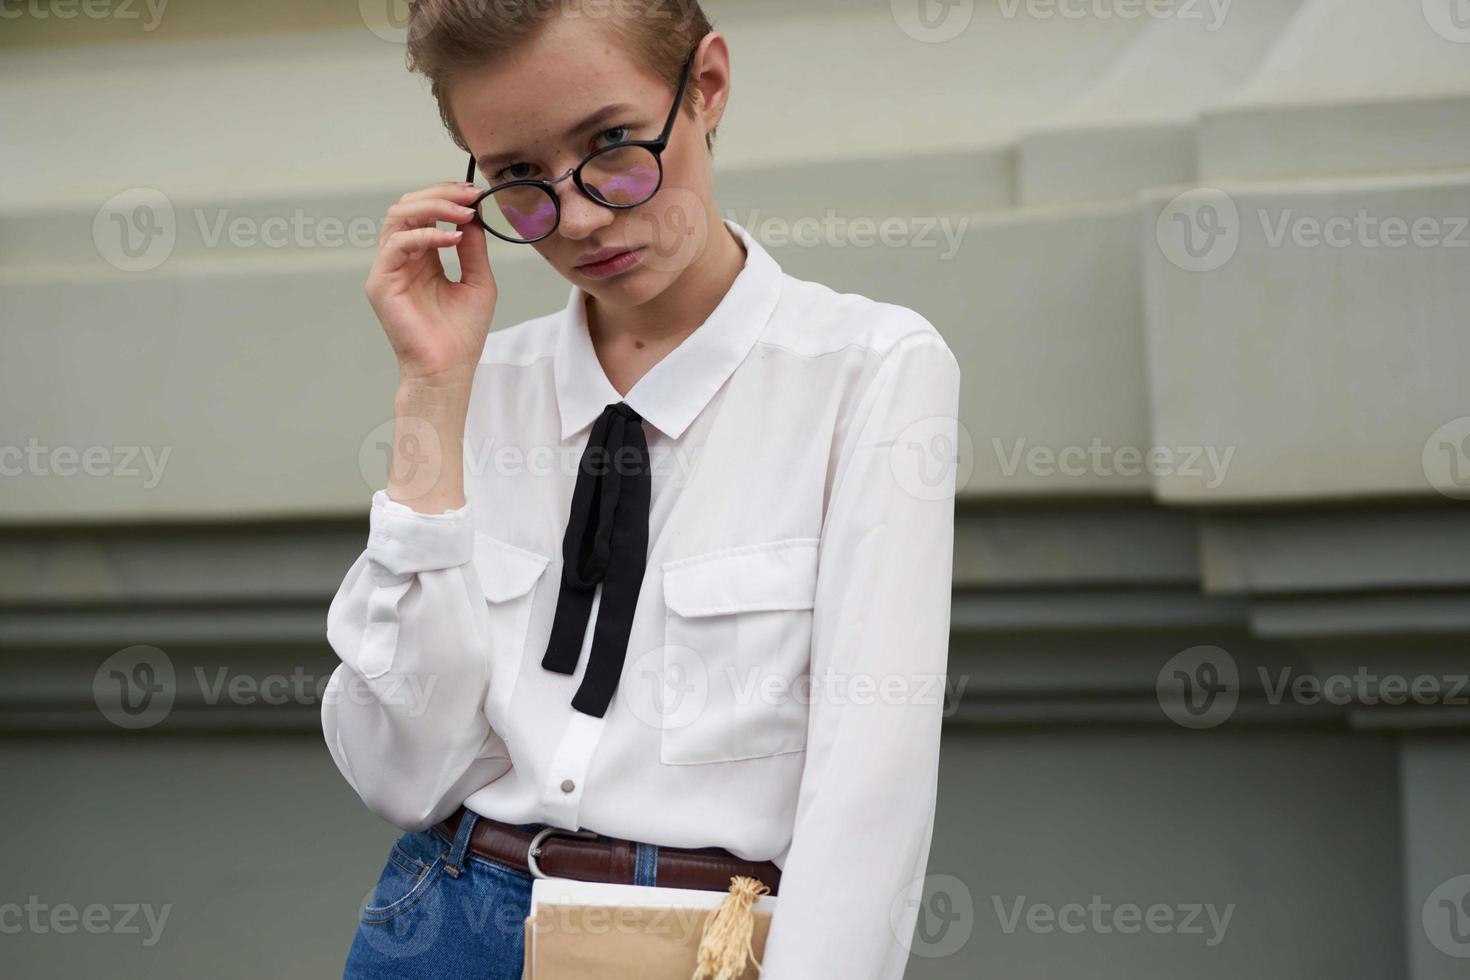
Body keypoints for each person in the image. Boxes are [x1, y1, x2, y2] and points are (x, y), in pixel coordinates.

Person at [322, 1, 961, 977]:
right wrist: (429, 397)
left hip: (693, 938)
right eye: (519, 180)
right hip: (435, 921)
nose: (576, 217)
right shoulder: (479, 382)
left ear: (705, 86)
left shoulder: (867, 370)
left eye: (613, 144)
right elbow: (404, 777)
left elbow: (870, 788)